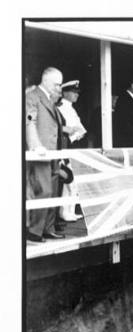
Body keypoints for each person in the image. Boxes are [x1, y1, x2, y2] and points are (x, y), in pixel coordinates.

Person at [25, 67, 65, 242]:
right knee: (44, 190)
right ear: (46, 81)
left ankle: (47, 229)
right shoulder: (32, 96)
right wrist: (35, 146)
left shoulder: (49, 99)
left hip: (53, 153)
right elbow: (29, 121)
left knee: (54, 191)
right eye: (57, 84)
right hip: (41, 153)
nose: (59, 88)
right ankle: (35, 231)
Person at [56, 80, 86, 222]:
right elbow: (69, 130)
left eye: (77, 93)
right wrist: (74, 132)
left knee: (73, 182)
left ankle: (70, 211)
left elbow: (80, 128)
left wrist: (76, 131)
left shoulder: (71, 108)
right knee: (68, 181)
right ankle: (64, 212)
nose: (76, 95)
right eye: (74, 92)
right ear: (65, 92)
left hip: (74, 145)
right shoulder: (61, 107)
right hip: (66, 145)